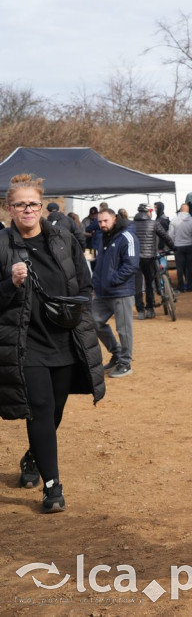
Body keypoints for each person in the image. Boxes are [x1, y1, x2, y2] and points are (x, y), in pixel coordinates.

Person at [0, 174, 104, 513]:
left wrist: (73, 308)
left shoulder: (63, 239)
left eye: (32, 203)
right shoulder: (2, 245)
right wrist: (10, 284)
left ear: (41, 205)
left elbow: (84, 285)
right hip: (24, 344)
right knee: (41, 410)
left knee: (55, 410)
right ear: (9, 209)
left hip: (65, 339)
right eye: (19, 204)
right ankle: (52, 485)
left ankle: (33, 457)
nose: (27, 210)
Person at [92, 208, 139, 378]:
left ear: (114, 219)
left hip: (121, 291)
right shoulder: (102, 236)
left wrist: (113, 280)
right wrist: (97, 281)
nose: (102, 224)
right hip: (102, 292)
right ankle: (117, 353)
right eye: (99, 221)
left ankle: (125, 363)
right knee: (93, 321)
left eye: (105, 221)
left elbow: (131, 265)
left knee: (124, 329)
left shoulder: (127, 236)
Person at [132, 204, 174, 320]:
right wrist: (174, 248)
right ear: (148, 212)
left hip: (135, 258)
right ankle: (150, 309)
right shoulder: (153, 223)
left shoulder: (131, 224)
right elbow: (165, 237)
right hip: (150, 257)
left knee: (138, 285)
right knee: (150, 283)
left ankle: (140, 311)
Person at [169, 204, 192, 292]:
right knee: (189, 267)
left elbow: (170, 235)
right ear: (188, 210)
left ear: (180, 210)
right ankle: (190, 286)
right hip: (189, 246)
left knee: (179, 267)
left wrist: (173, 245)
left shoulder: (174, 220)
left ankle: (180, 286)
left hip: (178, 246)